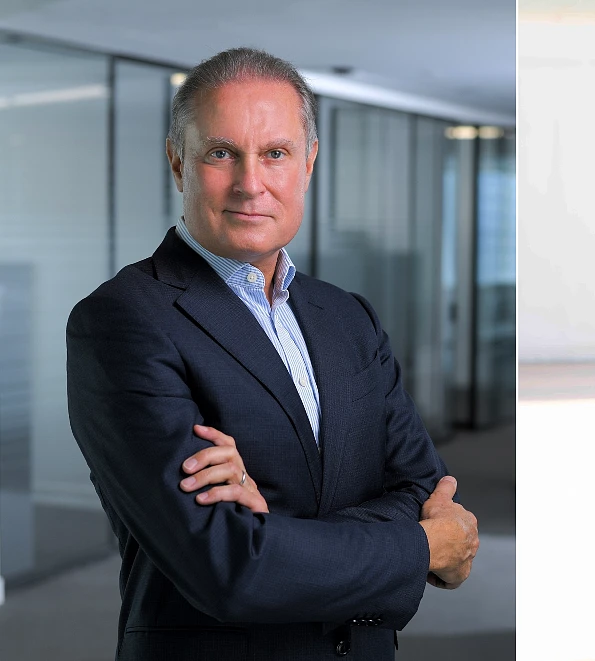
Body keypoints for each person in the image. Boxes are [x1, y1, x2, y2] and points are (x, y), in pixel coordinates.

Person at [66, 47, 478, 661]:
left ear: (308, 164)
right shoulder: (123, 321)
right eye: (221, 153)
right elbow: (228, 566)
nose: (250, 183)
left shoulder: (348, 317)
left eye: (275, 154)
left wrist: (276, 534)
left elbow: (422, 485)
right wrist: (421, 548)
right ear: (179, 162)